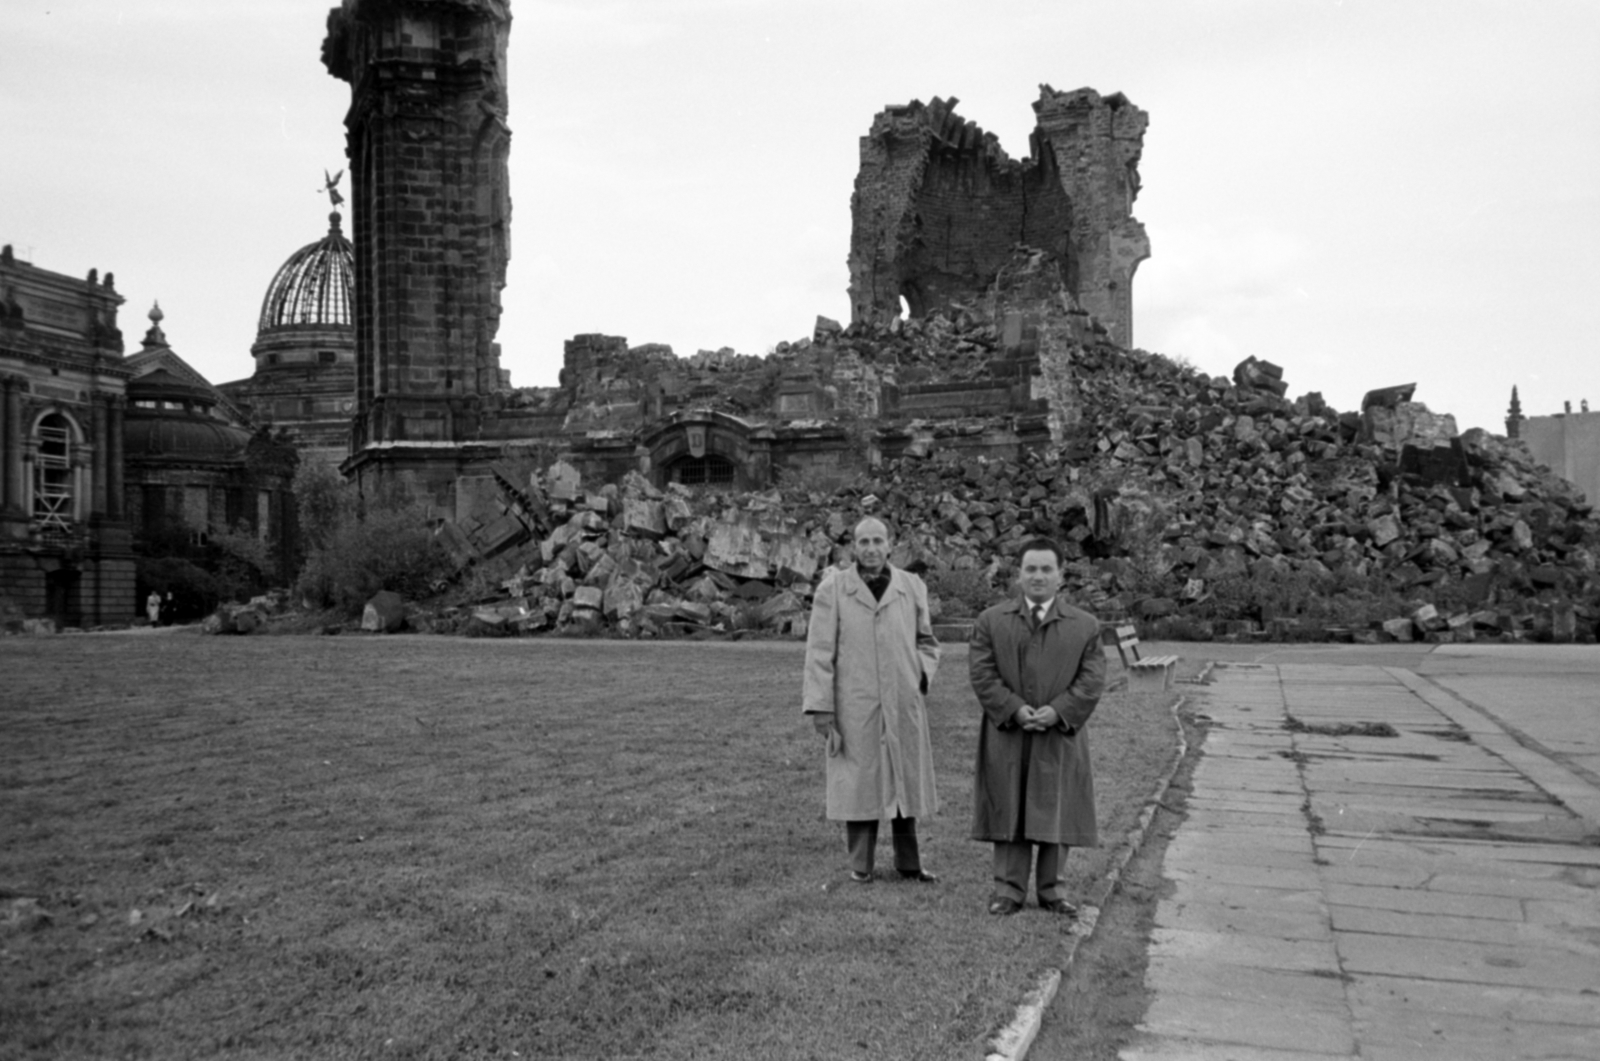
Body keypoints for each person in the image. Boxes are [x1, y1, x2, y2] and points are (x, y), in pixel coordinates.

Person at [969, 536, 1106, 916]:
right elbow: (982, 673)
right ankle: (1008, 890)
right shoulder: (991, 621)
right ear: (1018, 575)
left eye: (1047, 569)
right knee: (1008, 800)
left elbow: (1092, 679)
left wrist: (1060, 711)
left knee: (1055, 802)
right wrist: (1012, 708)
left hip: (1059, 733)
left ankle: (1053, 890)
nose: (1039, 576)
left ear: (1061, 576)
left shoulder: (1085, 626)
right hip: (1008, 732)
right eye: (1031, 568)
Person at [802, 516, 942, 884]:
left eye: (878, 541)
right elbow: (819, 652)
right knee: (860, 781)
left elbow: (926, 641)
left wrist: (918, 678)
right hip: (855, 702)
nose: (871, 549)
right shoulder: (833, 590)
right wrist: (821, 707)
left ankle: (909, 863)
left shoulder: (911, 586)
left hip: (902, 701)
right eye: (863, 542)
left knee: (903, 778)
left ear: (890, 545)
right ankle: (860, 865)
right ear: (852, 548)